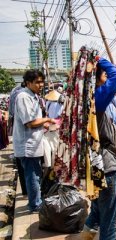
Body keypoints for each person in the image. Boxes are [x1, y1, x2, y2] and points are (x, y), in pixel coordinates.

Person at [81, 57, 116, 240]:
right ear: (95, 77)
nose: (106, 74)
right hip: (107, 167)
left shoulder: (79, 101)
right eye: (102, 72)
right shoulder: (95, 100)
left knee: (97, 213)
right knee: (110, 226)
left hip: (95, 166)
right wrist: (100, 59)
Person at [13, 69, 56, 212]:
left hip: (34, 143)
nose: (41, 84)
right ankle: (35, 204)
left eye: (42, 81)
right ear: (28, 83)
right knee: (33, 175)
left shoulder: (33, 96)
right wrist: (48, 119)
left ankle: (35, 201)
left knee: (35, 174)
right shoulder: (24, 97)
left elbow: (34, 120)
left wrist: (45, 124)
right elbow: (30, 122)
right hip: (28, 145)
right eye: (37, 82)